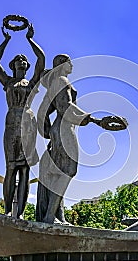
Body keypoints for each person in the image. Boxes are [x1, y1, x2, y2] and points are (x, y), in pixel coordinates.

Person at [36, 54, 102, 224]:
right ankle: (50, 216)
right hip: (64, 129)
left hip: (59, 129)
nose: (72, 64)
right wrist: (93, 119)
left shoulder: (55, 84)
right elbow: (66, 107)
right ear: (61, 65)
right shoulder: (62, 81)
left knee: (60, 173)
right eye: (68, 62)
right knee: (68, 171)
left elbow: (43, 112)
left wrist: (48, 131)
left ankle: (57, 215)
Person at [0, 24, 45, 218]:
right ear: (13, 66)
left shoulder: (32, 83)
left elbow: (41, 59)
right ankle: (7, 212)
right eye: (18, 59)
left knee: (25, 169)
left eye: (24, 60)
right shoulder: (8, 82)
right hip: (12, 122)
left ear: (26, 66)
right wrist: (6, 41)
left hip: (28, 123)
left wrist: (30, 39)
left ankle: (20, 213)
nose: (22, 61)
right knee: (11, 167)